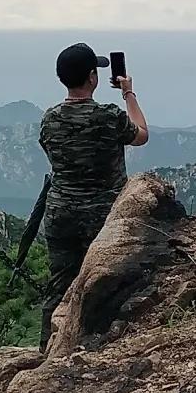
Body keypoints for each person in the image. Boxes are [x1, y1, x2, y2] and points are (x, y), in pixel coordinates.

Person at [38, 42, 149, 347]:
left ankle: (47, 348)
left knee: (59, 283)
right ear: (92, 78)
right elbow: (141, 134)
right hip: (103, 215)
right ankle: (99, 346)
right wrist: (128, 93)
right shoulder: (108, 116)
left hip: (61, 213)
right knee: (108, 282)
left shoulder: (50, 119)